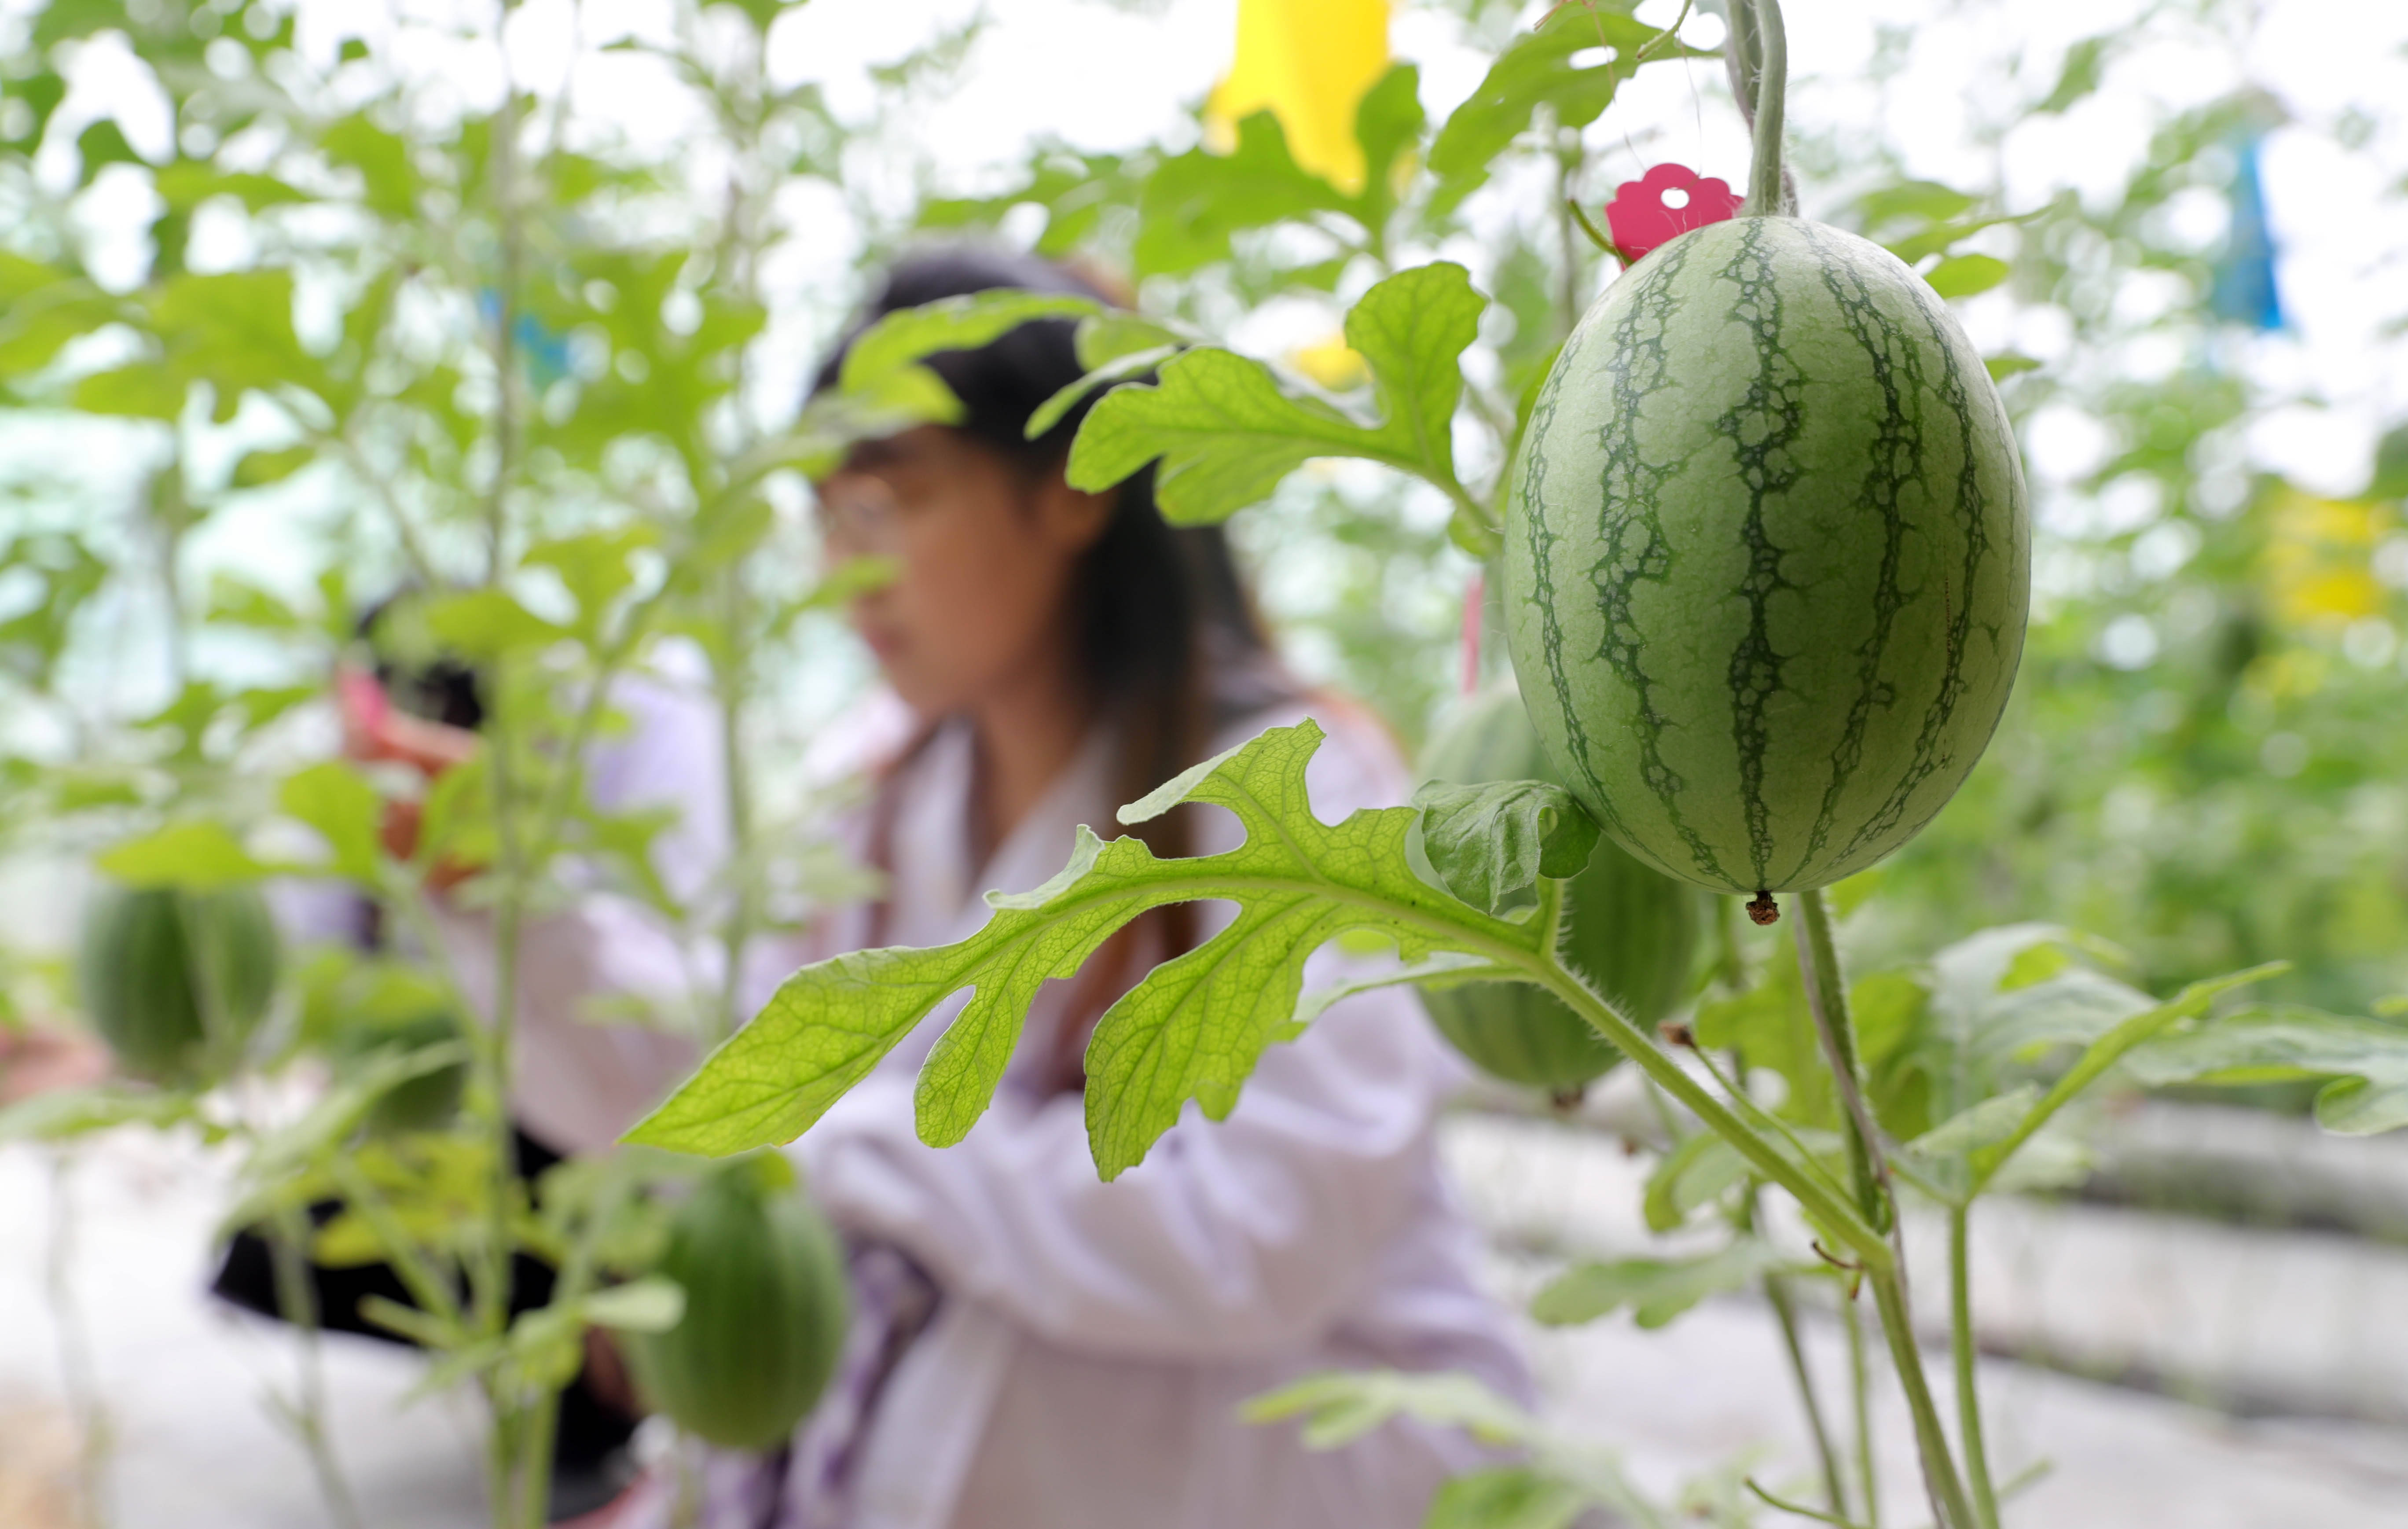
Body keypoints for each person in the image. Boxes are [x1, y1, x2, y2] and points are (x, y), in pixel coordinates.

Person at [598, 247, 1532, 1529]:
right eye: (826, 520)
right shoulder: (874, 783)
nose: (842, 576)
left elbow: (1258, 1232)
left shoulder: (1298, 786)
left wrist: (855, 1145)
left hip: (1332, 1448)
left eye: (887, 507)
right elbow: (724, 1068)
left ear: (1073, 489)